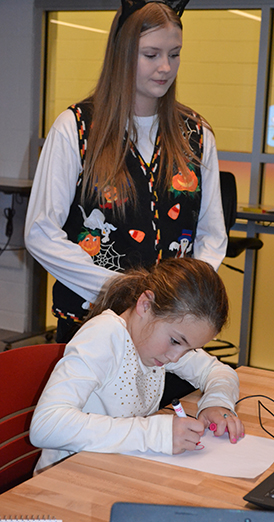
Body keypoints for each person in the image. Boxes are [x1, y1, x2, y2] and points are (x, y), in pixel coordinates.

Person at [24, 0, 227, 345]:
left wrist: (186, 295)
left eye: (174, 54)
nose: (165, 67)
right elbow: (41, 232)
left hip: (168, 332)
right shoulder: (75, 129)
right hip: (92, 326)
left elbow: (212, 234)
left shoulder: (197, 135)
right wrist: (118, 289)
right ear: (123, 53)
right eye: (151, 55)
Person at [29, 258, 245, 473]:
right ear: (145, 305)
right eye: (176, 342)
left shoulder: (157, 341)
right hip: (66, 481)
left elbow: (218, 371)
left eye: (189, 350)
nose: (176, 358)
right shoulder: (104, 336)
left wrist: (217, 403)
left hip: (114, 471)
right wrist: (156, 434)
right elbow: (46, 426)